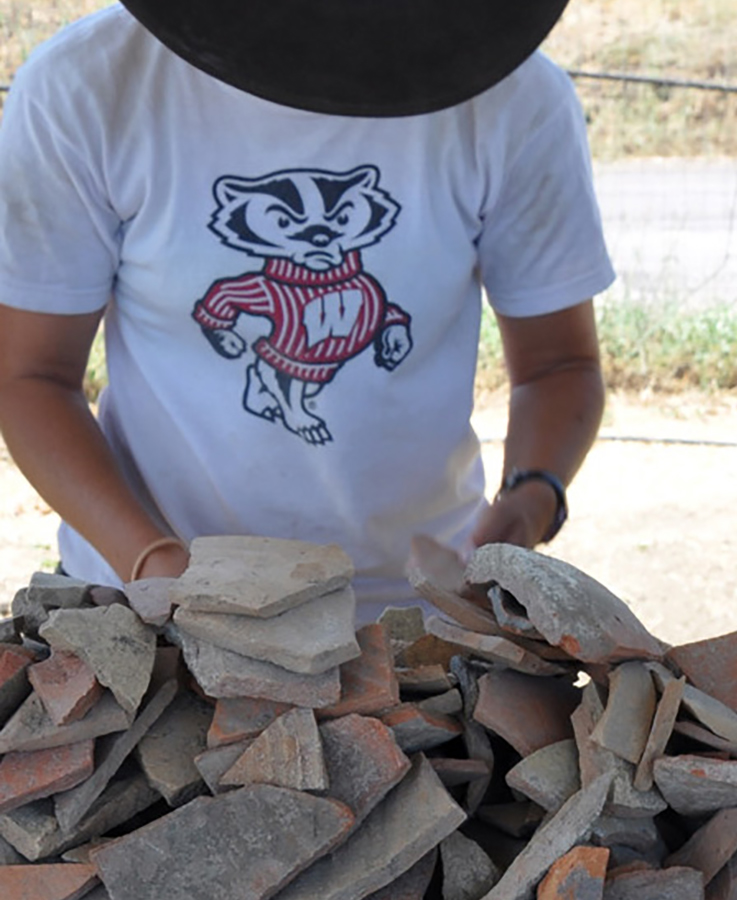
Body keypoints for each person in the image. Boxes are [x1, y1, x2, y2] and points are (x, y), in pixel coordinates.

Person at [0, 0, 614, 619]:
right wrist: (156, 565)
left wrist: (533, 493)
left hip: (419, 608)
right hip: (144, 599)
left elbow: (557, 367)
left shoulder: (512, 100)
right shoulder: (92, 87)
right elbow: (31, 378)